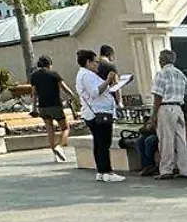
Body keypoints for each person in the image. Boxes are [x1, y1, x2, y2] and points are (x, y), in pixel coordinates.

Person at [150, 49, 187, 179]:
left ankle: (166, 170)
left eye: (160, 58)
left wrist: (153, 116)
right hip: (178, 108)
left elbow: (158, 96)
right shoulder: (179, 74)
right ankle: (185, 170)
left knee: (166, 140)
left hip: (165, 109)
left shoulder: (161, 74)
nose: (159, 60)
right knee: (181, 140)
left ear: (163, 60)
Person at [76, 48, 123, 182]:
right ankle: (106, 171)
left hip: (97, 112)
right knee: (103, 142)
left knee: (99, 142)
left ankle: (102, 171)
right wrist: (108, 81)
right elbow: (95, 92)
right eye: (95, 62)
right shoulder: (86, 75)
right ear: (88, 62)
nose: (97, 65)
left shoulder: (86, 74)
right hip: (97, 113)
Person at [28, 55, 74, 163]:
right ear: (49, 64)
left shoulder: (34, 76)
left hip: (42, 107)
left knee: (50, 130)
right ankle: (60, 146)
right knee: (65, 128)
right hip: (55, 105)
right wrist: (73, 96)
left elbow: (34, 93)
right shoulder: (54, 74)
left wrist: (34, 108)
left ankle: (55, 154)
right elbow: (64, 87)